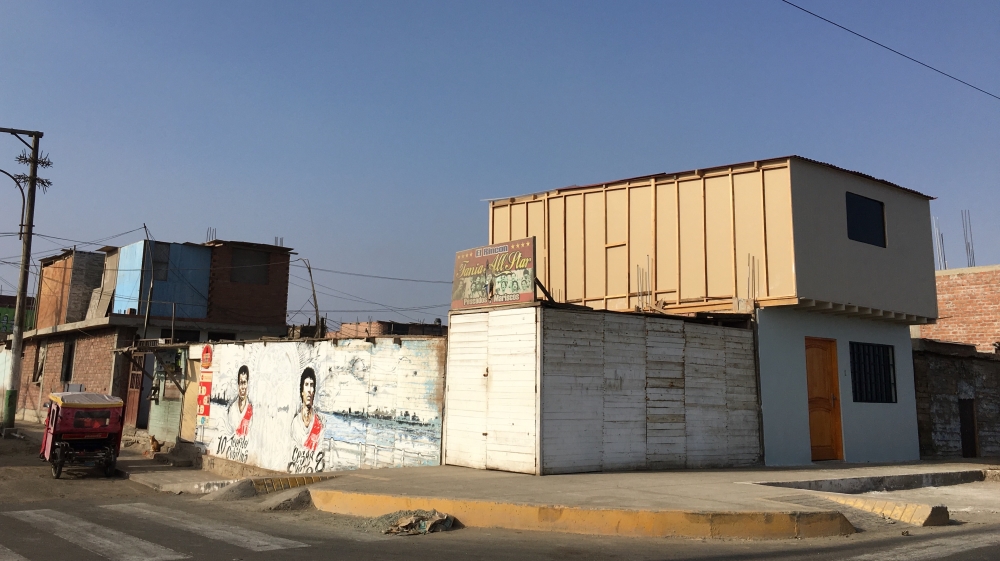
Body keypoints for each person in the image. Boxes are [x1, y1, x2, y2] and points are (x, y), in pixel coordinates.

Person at [290, 367, 323, 451]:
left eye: (311, 385)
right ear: (302, 391)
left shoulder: (318, 424)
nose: (309, 390)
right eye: (306, 384)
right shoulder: (295, 423)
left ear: (314, 391)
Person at [226, 365, 253, 437]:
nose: (243, 387)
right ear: (238, 384)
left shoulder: (251, 410)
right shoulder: (232, 410)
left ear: (247, 384)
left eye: (244, 383)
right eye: (241, 383)